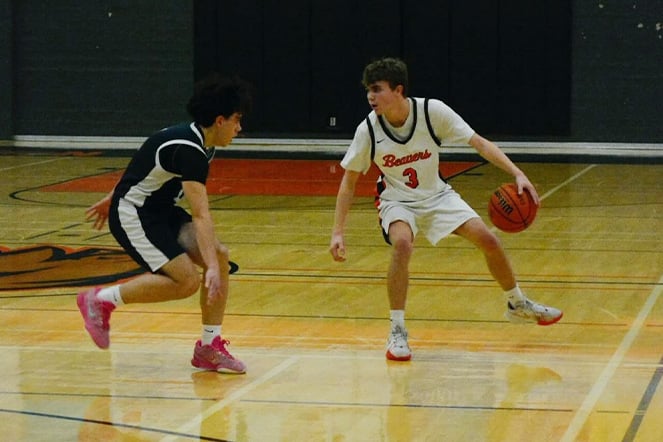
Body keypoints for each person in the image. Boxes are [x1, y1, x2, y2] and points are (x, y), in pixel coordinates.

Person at [329, 57, 563, 362]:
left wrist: (516, 173)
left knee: (489, 240)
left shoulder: (431, 112)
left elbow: (479, 143)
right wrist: (337, 232)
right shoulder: (368, 130)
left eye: (377, 89)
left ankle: (516, 303)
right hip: (396, 200)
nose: (370, 96)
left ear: (398, 90)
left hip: (437, 196)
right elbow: (348, 182)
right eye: (368, 90)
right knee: (402, 243)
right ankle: (397, 330)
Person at [78, 74, 252, 373]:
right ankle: (99, 300)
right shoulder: (189, 149)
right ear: (220, 120)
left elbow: (145, 159)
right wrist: (207, 265)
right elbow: (201, 214)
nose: (239, 128)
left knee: (221, 257)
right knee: (187, 280)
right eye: (236, 120)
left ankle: (209, 347)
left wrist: (213, 262)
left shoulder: (199, 141)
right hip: (134, 214)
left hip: (160, 210)